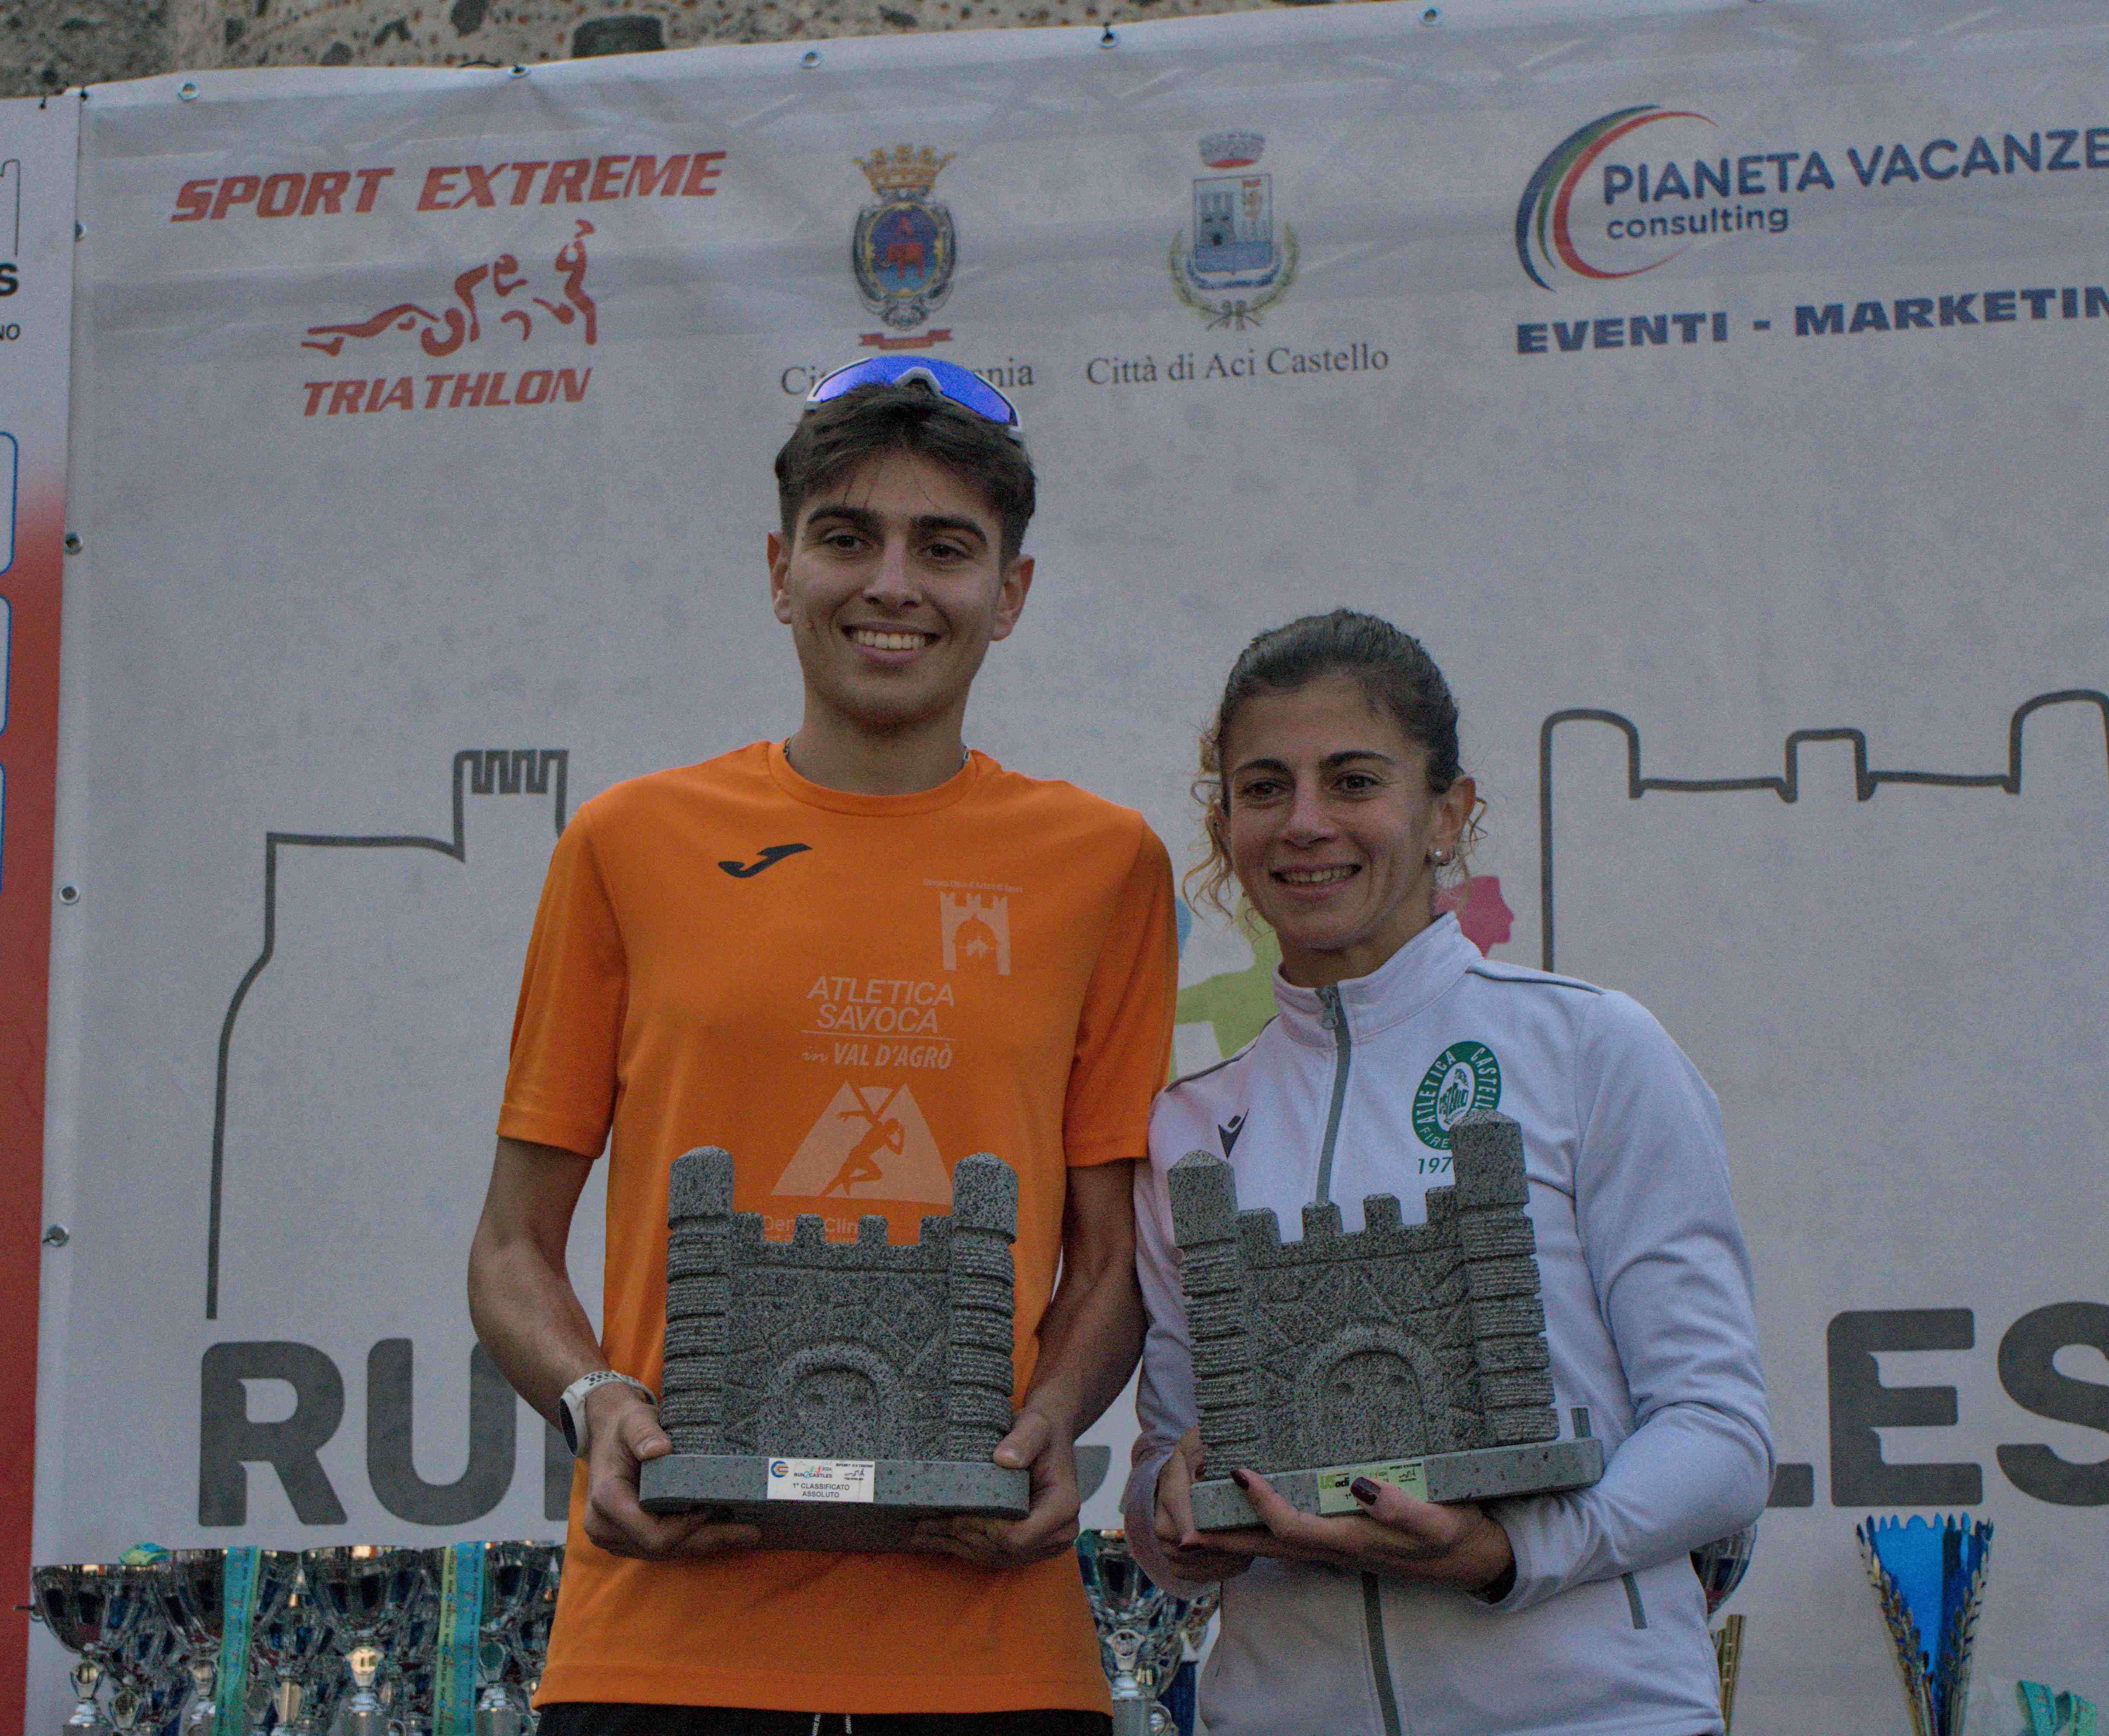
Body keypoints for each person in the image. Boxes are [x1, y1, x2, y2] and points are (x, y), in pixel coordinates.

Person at [469, 357, 1178, 1735]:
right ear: (781, 569)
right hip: (661, 1646)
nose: (892, 585)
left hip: (987, 1654)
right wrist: (596, 1401)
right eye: (847, 538)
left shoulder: (1105, 866)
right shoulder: (627, 845)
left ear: (1011, 594)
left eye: (946, 548)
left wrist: (1059, 1413)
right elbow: (509, 1250)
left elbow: (1112, 1261)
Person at [1122, 610, 1770, 1736]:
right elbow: (1164, 1462)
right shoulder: (1192, 1121)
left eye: (1354, 779)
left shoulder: (1590, 1050)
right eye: (1263, 787)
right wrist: (1168, 1521)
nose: (1306, 823)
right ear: (1222, 824)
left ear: (1447, 814)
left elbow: (1718, 1437)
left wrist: (1507, 1553)